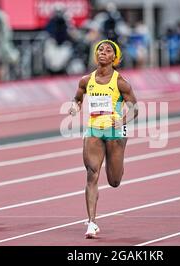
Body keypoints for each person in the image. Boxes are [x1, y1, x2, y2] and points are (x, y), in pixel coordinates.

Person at [68, 40, 138, 238]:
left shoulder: (120, 82)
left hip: (115, 132)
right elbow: (78, 97)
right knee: (92, 174)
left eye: (108, 51)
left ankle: (117, 164)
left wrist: (123, 120)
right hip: (94, 131)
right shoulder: (86, 80)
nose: (103, 52)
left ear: (114, 58)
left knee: (114, 180)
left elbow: (135, 107)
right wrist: (75, 106)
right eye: (100, 49)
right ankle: (91, 222)